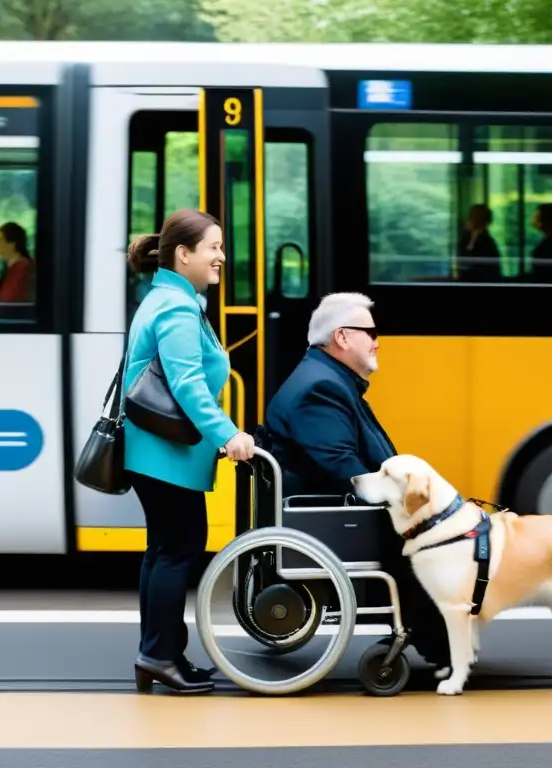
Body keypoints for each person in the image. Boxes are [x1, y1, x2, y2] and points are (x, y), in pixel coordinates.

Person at [259, 292, 451, 668]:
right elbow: (343, 468)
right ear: (343, 337)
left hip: (333, 507)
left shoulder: (329, 378)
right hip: (337, 516)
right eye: (370, 332)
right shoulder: (322, 387)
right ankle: (441, 643)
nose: (377, 341)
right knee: (440, 536)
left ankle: (435, 633)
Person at [123, 208, 256, 695]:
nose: (222, 256)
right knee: (176, 549)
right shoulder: (177, 308)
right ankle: (158, 654)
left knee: (164, 550)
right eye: (214, 247)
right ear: (184, 255)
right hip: (164, 453)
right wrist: (228, 434)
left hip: (156, 450)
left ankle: (160, 653)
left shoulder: (166, 298)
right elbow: (187, 384)